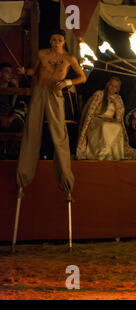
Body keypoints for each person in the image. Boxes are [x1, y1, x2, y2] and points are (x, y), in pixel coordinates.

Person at [16, 29, 86, 198]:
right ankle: (23, 177)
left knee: (59, 133)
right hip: (40, 91)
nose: (56, 42)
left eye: (59, 40)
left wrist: (67, 82)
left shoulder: (70, 58)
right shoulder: (42, 54)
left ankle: (66, 180)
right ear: (50, 41)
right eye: (54, 39)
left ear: (63, 41)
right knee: (32, 130)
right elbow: (34, 72)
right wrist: (25, 72)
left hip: (56, 94)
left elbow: (82, 77)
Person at [76, 77, 136, 160]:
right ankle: (103, 155)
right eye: (111, 85)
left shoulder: (118, 99)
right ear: (107, 85)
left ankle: (115, 155)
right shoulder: (99, 94)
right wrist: (100, 118)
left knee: (117, 127)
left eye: (115, 87)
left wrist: (113, 120)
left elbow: (119, 116)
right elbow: (91, 111)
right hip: (97, 119)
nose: (113, 88)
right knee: (104, 126)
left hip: (110, 120)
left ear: (118, 89)